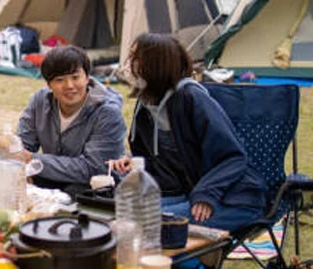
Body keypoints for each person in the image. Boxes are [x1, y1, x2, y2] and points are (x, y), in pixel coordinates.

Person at [111, 33, 265, 234]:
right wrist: (133, 163)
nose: (130, 65)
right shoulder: (147, 104)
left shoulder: (192, 98)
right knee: (122, 216)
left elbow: (234, 157)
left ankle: (190, 265)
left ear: (154, 64)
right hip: (187, 192)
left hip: (233, 198)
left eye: (135, 58)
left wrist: (206, 194)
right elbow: (166, 163)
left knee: (147, 225)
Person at [9, 45, 126, 196]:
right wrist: (7, 148)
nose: (69, 86)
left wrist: (33, 159)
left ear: (87, 78)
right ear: (49, 84)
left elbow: (94, 168)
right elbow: (23, 147)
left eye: (75, 77)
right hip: (53, 181)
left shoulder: (107, 113)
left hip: (95, 189)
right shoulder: (40, 101)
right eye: (59, 80)